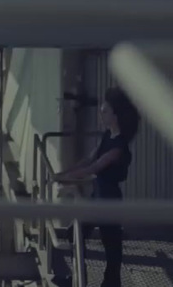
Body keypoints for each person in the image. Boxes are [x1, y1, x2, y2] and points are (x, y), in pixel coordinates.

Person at [55, 87, 141, 287]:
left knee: (112, 248)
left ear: (116, 115)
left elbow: (95, 167)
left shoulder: (119, 146)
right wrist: (64, 173)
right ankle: (77, 277)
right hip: (98, 195)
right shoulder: (107, 137)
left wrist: (66, 178)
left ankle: (110, 284)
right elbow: (88, 159)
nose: (101, 114)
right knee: (74, 233)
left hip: (109, 199)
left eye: (105, 111)